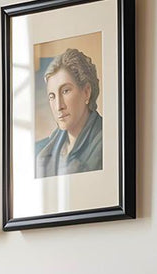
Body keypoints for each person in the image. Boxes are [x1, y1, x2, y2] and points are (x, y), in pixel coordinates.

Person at [35, 48, 103, 177]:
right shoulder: (41, 151)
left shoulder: (107, 141)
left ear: (86, 92)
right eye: (52, 96)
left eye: (66, 91)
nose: (59, 106)